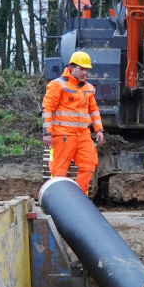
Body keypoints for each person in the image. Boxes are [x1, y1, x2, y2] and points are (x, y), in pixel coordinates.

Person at [42, 51, 104, 193]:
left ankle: (79, 198)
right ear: (71, 67)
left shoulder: (89, 88)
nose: (84, 73)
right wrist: (47, 132)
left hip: (83, 135)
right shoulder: (57, 85)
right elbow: (47, 109)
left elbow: (93, 109)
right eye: (81, 69)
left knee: (89, 164)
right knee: (59, 171)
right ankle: (60, 200)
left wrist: (99, 129)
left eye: (86, 70)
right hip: (62, 135)